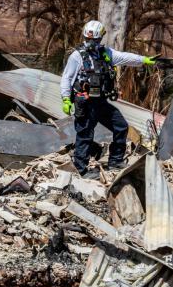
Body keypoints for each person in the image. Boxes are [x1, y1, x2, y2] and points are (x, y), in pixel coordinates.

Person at [60, 20, 156, 177]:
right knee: (85, 135)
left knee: (121, 126)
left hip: (101, 102)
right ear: (84, 37)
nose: (91, 43)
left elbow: (125, 57)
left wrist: (144, 60)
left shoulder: (105, 54)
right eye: (88, 39)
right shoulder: (77, 56)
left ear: (100, 39)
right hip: (85, 103)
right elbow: (66, 78)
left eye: (95, 40)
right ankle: (81, 170)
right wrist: (65, 99)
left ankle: (115, 161)